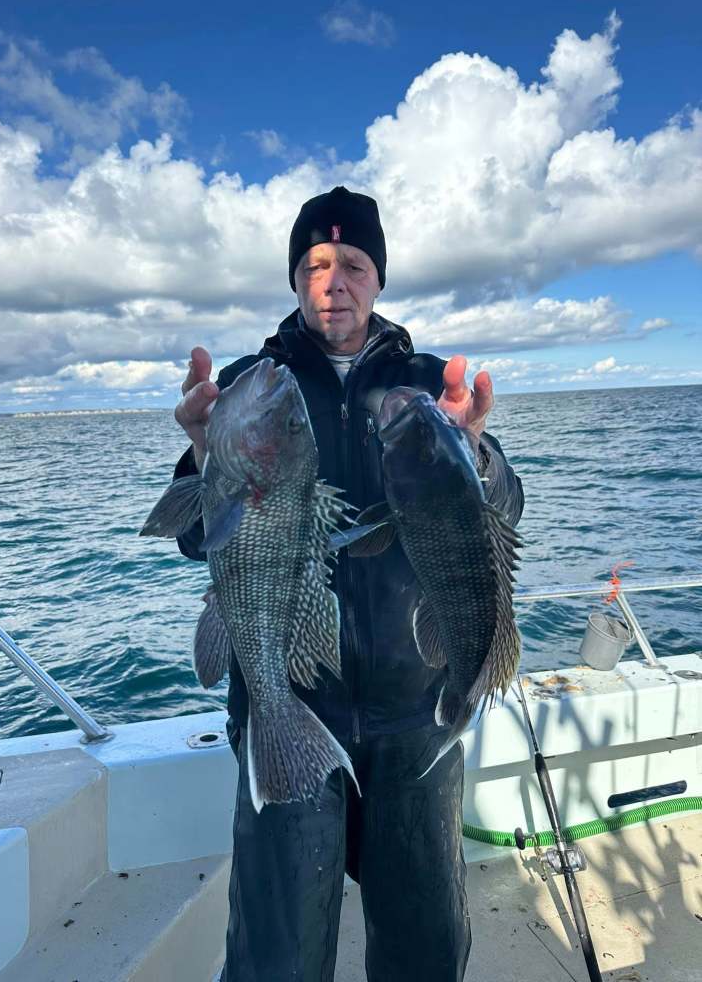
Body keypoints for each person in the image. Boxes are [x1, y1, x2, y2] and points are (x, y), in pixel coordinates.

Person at [173, 186, 524, 981]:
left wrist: (479, 456)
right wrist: (202, 452)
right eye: (317, 264)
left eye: (354, 263)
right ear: (297, 279)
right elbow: (199, 540)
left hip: (414, 711)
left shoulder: (433, 386)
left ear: (378, 279)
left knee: (425, 946)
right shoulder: (246, 385)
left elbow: (504, 508)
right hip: (293, 701)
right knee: (279, 954)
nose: (335, 280)